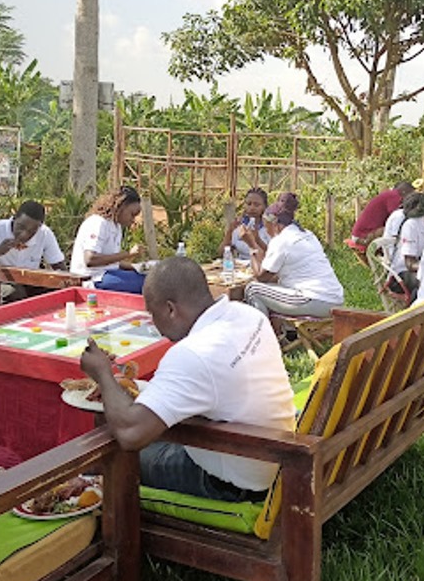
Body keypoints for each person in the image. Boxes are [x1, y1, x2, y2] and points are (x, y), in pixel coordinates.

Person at [80, 257, 295, 502]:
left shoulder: (193, 353)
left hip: (232, 482)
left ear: (171, 309)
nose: (154, 324)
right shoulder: (247, 314)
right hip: (276, 457)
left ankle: (104, 531)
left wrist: (102, 373)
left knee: (107, 454)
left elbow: (130, 433)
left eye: (152, 314)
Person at [244, 192, 344, 319]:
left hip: (313, 299)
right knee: (276, 288)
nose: (267, 231)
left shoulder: (281, 240)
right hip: (334, 298)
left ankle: (262, 335)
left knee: (253, 289)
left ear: (274, 224)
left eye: (266, 226)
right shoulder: (307, 234)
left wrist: (252, 245)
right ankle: (286, 333)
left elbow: (261, 277)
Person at [0, 200, 67, 301]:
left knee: (55, 290)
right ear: (14, 218)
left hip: (29, 283)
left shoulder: (45, 234)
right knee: (15, 293)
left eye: (32, 231)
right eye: (20, 227)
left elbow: (59, 267)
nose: (24, 235)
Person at [69, 186, 143, 281]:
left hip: (106, 273)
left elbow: (111, 262)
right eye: (132, 214)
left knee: (147, 278)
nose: (133, 220)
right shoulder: (98, 223)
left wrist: (137, 267)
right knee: (142, 284)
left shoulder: (116, 227)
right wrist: (128, 254)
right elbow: (90, 259)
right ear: (121, 207)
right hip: (91, 277)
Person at [345, 180, 414, 252]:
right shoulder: (394, 196)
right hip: (363, 235)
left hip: (362, 233)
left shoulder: (389, 195)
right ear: (404, 192)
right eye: (411, 195)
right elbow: (397, 217)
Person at [220, 187, 271, 261]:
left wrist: (257, 240)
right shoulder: (240, 226)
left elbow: (273, 256)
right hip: (241, 268)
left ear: (265, 207)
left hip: (262, 267)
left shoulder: (270, 228)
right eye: (249, 204)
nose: (252, 208)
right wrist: (229, 232)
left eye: (256, 205)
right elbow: (222, 253)